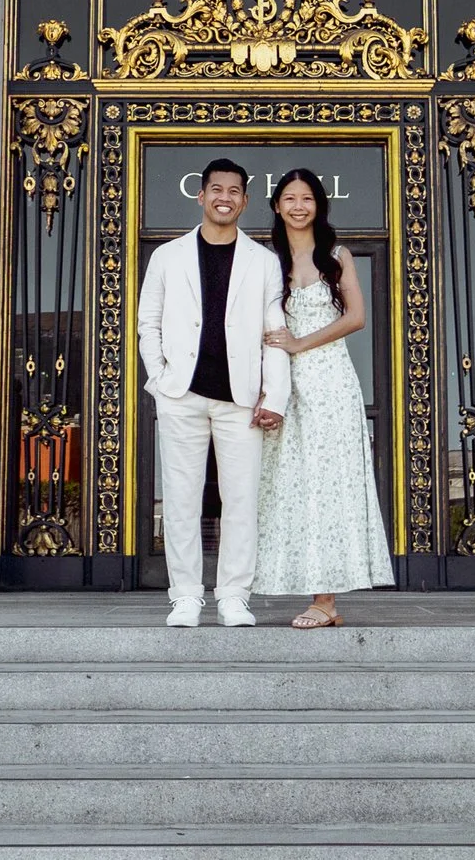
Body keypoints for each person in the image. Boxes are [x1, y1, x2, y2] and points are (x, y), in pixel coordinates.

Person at [136, 158, 288, 629]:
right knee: (180, 499)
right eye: (216, 189)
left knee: (241, 501)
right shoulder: (167, 256)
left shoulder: (264, 262)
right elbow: (149, 323)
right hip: (182, 394)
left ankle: (233, 596)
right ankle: (185, 596)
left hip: (241, 401)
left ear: (244, 200)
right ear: (201, 196)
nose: (225, 197)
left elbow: (275, 332)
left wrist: (274, 396)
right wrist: (160, 381)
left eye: (235, 190)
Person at [252, 166, 393, 628]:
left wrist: (299, 343)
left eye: (307, 198)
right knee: (288, 487)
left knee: (328, 488)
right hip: (282, 386)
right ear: (276, 206)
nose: (298, 206)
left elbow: (356, 318)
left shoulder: (336, 255)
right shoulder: (264, 261)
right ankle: (279, 584)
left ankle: (326, 600)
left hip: (330, 383)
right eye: (289, 198)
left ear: (319, 205)